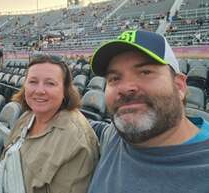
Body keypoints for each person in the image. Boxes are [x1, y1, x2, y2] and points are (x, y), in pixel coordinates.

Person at [88, 30, 209, 193]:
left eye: (145, 72)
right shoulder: (115, 135)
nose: (125, 88)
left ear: (179, 86)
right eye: (114, 78)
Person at [0, 54, 99, 193]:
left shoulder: (75, 140)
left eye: (50, 83)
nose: (39, 91)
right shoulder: (27, 117)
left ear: (65, 90)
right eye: (33, 81)